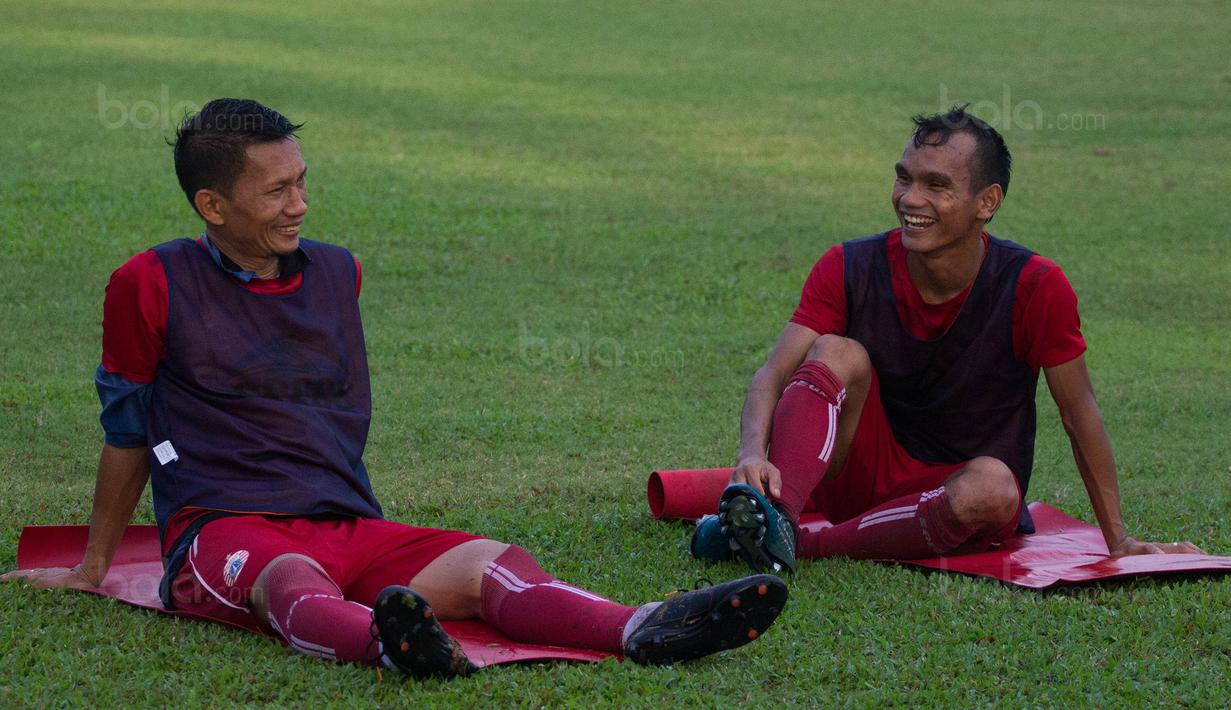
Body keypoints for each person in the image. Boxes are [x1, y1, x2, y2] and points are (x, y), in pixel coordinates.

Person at [2, 98, 787, 677]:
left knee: (490, 562)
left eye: (302, 182)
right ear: (213, 205)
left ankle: (645, 625)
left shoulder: (339, 272)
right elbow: (128, 427)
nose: (300, 204)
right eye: (276, 191)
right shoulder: (147, 283)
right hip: (222, 527)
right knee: (289, 582)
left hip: (345, 520)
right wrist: (95, 563)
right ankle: (390, 644)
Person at [691, 105, 1203, 574]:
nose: (911, 199)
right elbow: (773, 374)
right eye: (903, 178)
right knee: (835, 351)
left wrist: (1119, 540)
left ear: (987, 202)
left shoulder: (1035, 284)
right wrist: (751, 454)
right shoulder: (848, 265)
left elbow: (1080, 412)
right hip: (858, 480)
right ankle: (775, 515)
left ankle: (789, 542)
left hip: (963, 496)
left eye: (936, 185)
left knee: (996, 488)